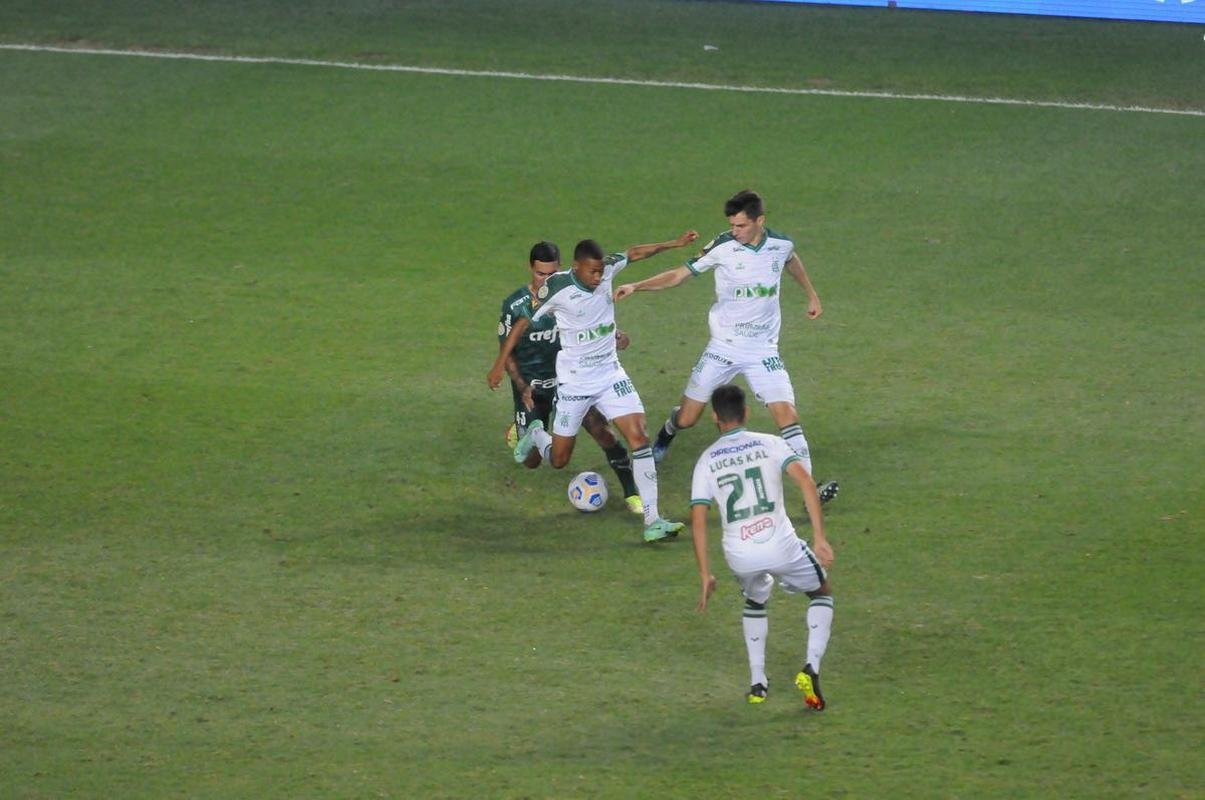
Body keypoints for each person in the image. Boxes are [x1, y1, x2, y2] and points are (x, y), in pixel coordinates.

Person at [614, 189, 838, 503]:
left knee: (787, 415)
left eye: (741, 226)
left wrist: (811, 294)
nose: (735, 232)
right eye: (732, 225)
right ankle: (668, 430)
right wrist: (637, 285)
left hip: (763, 350)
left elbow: (791, 260)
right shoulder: (722, 246)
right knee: (688, 418)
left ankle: (810, 490)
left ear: (760, 221)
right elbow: (680, 275)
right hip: (723, 348)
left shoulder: (781, 245)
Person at [488, 231, 699, 542]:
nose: (599, 277)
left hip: (611, 375)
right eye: (593, 271)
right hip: (574, 384)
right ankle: (535, 432)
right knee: (559, 460)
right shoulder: (556, 288)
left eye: (602, 270)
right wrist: (497, 365)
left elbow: (635, 251)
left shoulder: (608, 270)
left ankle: (654, 520)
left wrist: (674, 244)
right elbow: (521, 324)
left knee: (638, 436)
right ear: (576, 267)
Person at [689, 384, 835, 708]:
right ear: (746, 413)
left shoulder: (706, 461)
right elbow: (807, 483)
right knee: (821, 592)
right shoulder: (771, 444)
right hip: (781, 546)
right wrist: (820, 537)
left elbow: (698, 520)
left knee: (755, 599)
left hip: (740, 555)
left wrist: (705, 574)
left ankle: (758, 683)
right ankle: (811, 666)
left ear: (714, 417)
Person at [498, 241, 642, 514]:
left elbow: (593, 326)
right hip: (534, 387)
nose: (547, 279)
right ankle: (528, 432)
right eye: (541, 274)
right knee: (531, 462)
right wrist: (521, 386)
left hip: (573, 383)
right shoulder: (518, 305)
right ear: (531, 269)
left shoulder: (568, 293)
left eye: (552, 273)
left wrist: (617, 337)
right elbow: (508, 352)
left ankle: (632, 493)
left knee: (603, 432)